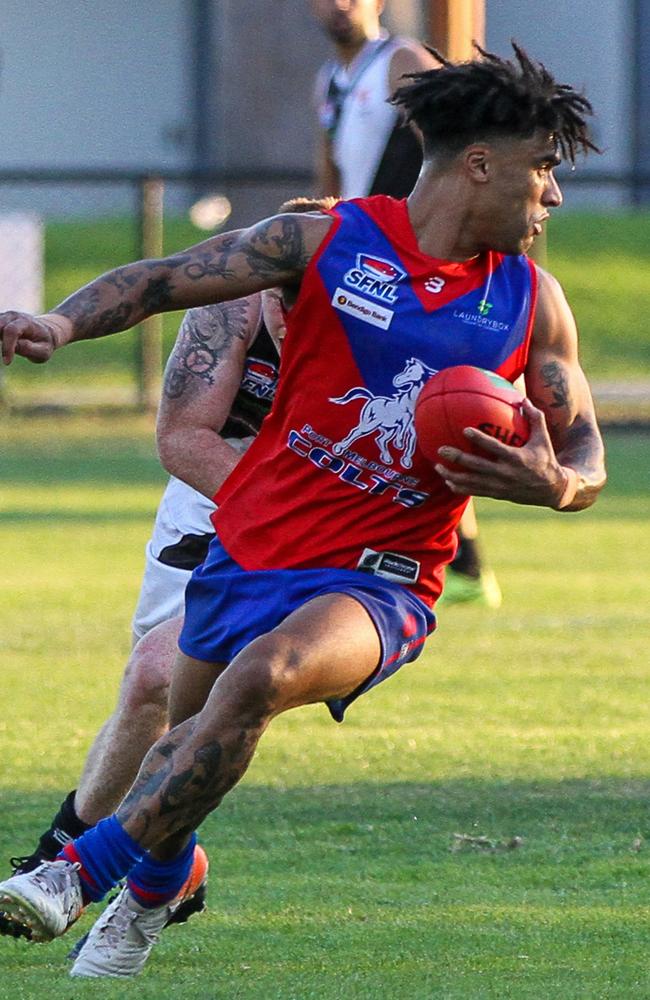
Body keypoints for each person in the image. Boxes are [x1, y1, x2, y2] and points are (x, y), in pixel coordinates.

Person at [0, 44, 606, 979]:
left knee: (264, 678)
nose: (554, 196)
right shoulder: (324, 242)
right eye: (544, 169)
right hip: (254, 548)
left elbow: (586, 455)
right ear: (481, 164)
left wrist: (555, 481)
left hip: (381, 582)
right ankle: (159, 887)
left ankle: (75, 875)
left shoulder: (531, 301)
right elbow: (172, 275)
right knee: (184, 748)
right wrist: (61, 324)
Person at [0, 197, 334, 943]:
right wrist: (291, 504)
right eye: (285, 297)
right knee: (163, 704)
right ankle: (169, 866)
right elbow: (185, 437)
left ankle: (60, 865)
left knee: (161, 674)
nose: (297, 316)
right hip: (217, 507)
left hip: (332, 537)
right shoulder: (233, 303)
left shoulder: (383, 315)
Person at [312, 0, 502, 608]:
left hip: (408, 268)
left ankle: (439, 561)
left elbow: (450, 143)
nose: (339, 3)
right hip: (359, 261)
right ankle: (459, 564)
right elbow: (332, 176)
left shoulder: (400, 61)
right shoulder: (328, 80)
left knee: (427, 408)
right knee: (396, 412)